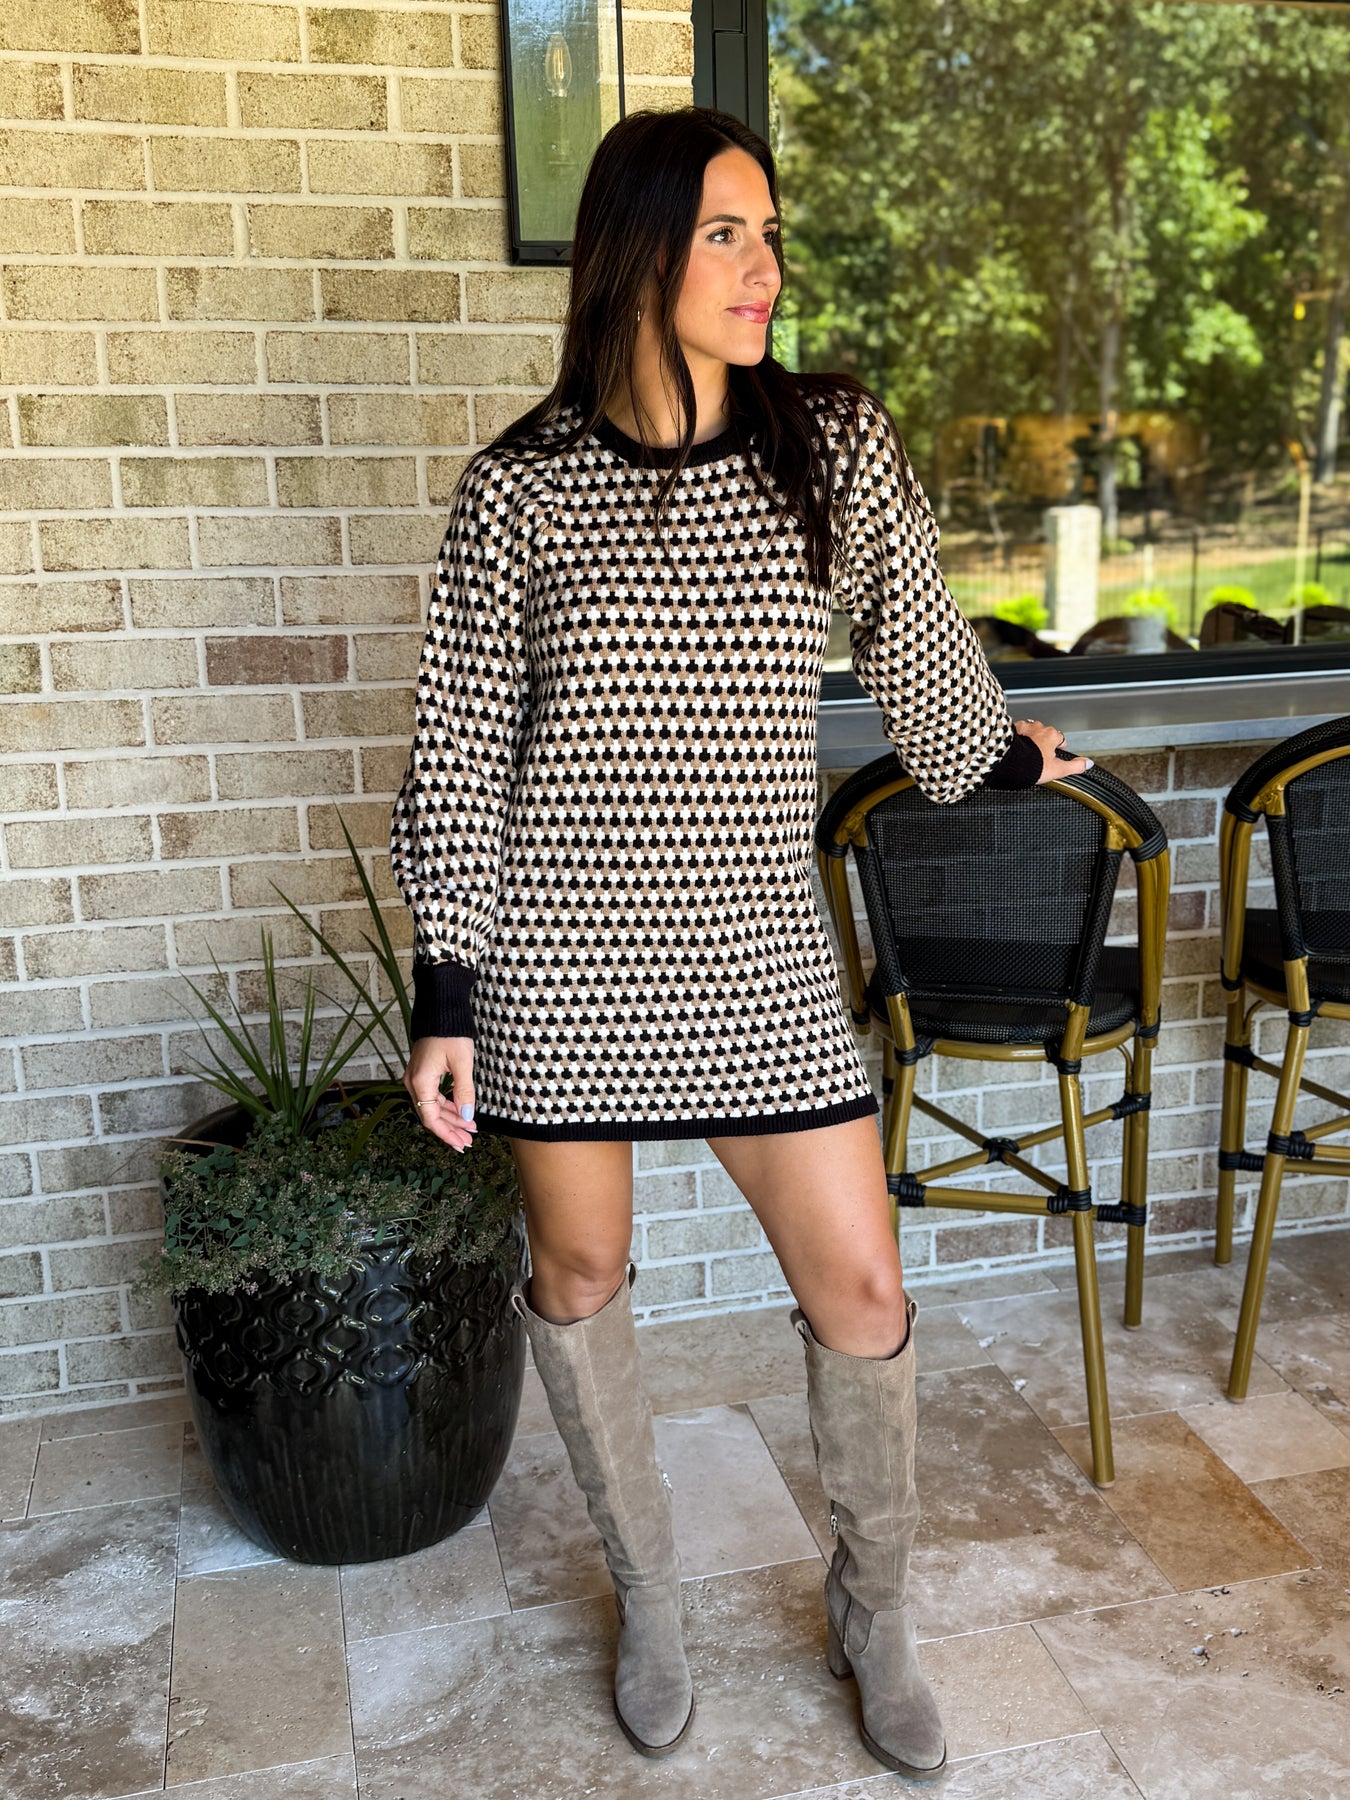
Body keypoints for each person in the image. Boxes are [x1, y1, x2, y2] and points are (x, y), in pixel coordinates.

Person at [389, 105, 1088, 1781]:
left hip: (757, 947)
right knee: (579, 1277)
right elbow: (463, 748)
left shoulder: (828, 443)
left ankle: (874, 1615)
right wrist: (447, 991)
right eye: (725, 234)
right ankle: (650, 1598)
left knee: (862, 1288)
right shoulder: (520, 490)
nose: (764, 267)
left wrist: (995, 752)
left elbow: (917, 657)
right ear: (636, 252)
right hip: (561, 961)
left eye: (769, 234)